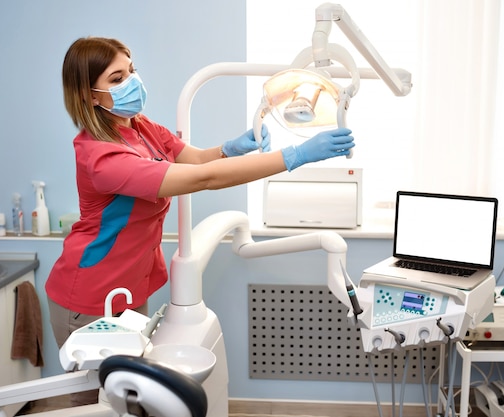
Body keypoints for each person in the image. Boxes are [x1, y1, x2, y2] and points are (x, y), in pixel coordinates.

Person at [45, 36, 354, 405]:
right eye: (116, 78)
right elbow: (202, 179)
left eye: (131, 70)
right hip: (91, 293)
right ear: (89, 95)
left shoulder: (139, 126)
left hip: (129, 288)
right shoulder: (101, 157)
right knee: (97, 402)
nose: (131, 82)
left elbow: (192, 159)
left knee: (125, 398)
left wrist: (228, 149)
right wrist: (295, 155)